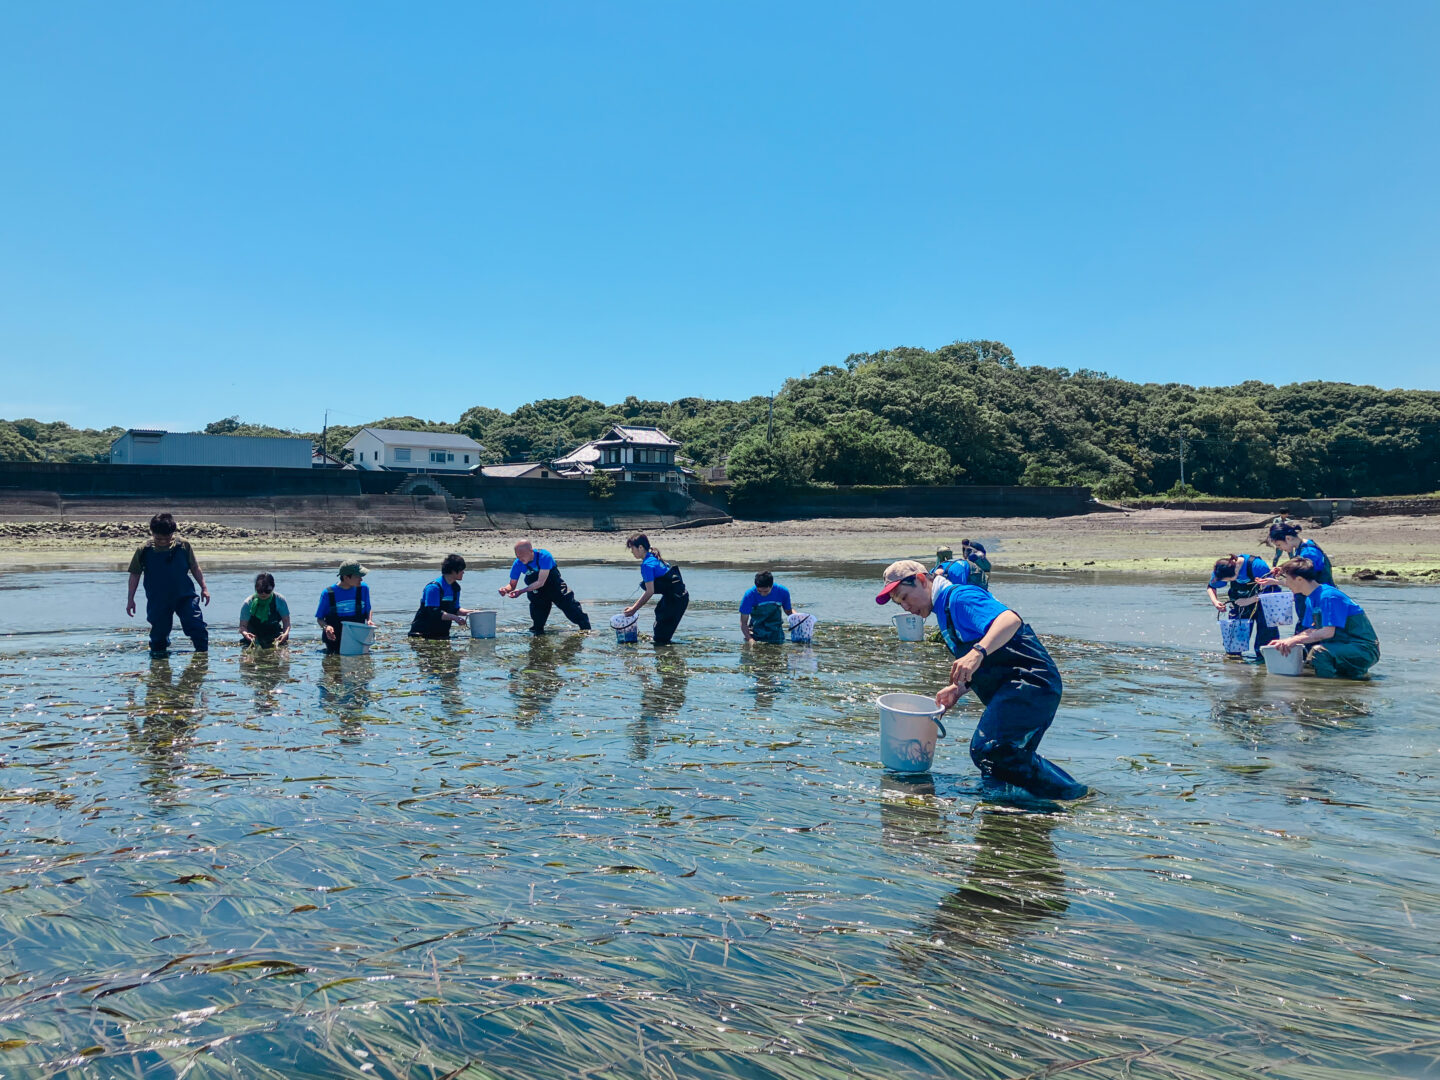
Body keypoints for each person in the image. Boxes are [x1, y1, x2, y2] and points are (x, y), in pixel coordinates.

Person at [876, 559, 1087, 802]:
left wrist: (977, 652)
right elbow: (992, 661)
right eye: (899, 603)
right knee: (1001, 760)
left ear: (922, 580)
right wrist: (959, 688)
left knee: (989, 749)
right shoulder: (944, 609)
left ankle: (1072, 796)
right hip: (1016, 687)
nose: (905, 607)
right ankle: (1006, 811)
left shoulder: (959, 598)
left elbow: (1010, 620)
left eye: (904, 597)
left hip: (1032, 683)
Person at [1272, 557, 1380, 679]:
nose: (1285, 583)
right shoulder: (1310, 598)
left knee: (1319, 652)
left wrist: (1295, 641)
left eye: (1287, 579)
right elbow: (1311, 630)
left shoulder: (1328, 596)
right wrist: (1288, 641)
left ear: (1299, 579)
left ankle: (1325, 693)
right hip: (1341, 646)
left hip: (1363, 649)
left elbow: (1328, 632)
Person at [126, 512, 210, 656]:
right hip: (158, 599)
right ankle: (159, 662)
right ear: (152, 533)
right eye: (159, 538)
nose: (163, 541)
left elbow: (195, 567)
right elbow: (135, 575)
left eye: (167, 538)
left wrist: (204, 588)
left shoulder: (183, 546)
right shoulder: (144, 550)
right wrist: (130, 600)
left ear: (173, 533)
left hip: (185, 596)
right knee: (159, 634)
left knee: (196, 625)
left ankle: (202, 656)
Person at [501, 541, 591, 634]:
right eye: (517, 555)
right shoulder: (518, 563)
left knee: (572, 610)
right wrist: (505, 589)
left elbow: (541, 582)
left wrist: (521, 591)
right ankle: (537, 638)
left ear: (531, 551)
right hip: (536, 591)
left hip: (555, 587)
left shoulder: (544, 556)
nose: (520, 558)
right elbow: (512, 584)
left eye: (522, 555)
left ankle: (587, 631)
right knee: (538, 622)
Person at [1206, 553, 1280, 657]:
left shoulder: (1257, 566)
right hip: (1240, 604)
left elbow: (1271, 591)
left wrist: (1250, 600)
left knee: (1265, 645)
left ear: (1236, 571)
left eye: (1229, 580)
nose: (1227, 582)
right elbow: (1211, 586)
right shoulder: (1222, 568)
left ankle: (1263, 663)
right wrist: (1215, 601)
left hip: (1265, 605)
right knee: (1233, 647)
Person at [622, 533, 688, 646]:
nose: (631, 552)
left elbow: (649, 592)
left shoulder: (647, 565)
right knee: (659, 618)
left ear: (641, 547)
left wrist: (634, 609)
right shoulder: (653, 556)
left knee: (661, 639)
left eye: (632, 548)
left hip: (676, 599)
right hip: (678, 596)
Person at [1269, 522, 1333, 620]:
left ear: (1288, 538)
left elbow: (1303, 582)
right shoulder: (1302, 547)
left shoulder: (1309, 553)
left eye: (1279, 545)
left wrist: (1276, 582)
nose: (1280, 548)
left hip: (1318, 603)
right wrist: (1283, 568)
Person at [409, 553, 477, 639]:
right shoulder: (433, 588)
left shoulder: (455, 588)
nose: (463, 572)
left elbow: (456, 609)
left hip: (442, 634)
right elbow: (434, 612)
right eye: (461, 569)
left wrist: (472, 612)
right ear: (453, 570)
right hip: (422, 634)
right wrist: (455, 618)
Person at [316, 561, 374, 653]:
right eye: (358, 576)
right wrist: (326, 627)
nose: (361, 579)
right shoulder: (328, 593)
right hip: (334, 641)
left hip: (358, 638)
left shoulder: (364, 588)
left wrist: (369, 620)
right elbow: (319, 619)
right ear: (346, 577)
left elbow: (368, 609)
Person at [239, 572, 291, 648]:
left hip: (275, 634)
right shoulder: (248, 603)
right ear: (256, 588)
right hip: (253, 636)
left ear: (273, 587)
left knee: (284, 655)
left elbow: (286, 622)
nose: (263, 593)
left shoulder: (280, 600)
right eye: (260, 590)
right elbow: (242, 626)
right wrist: (246, 634)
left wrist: (285, 634)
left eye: (267, 590)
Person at [740, 571, 793, 643]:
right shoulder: (749, 595)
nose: (762, 594)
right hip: (756, 633)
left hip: (777, 634)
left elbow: (788, 611)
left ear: (771, 586)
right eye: (759, 591)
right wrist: (750, 639)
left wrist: (799, 617)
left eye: (766, 591)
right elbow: (743, 623)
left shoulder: (782, 592)